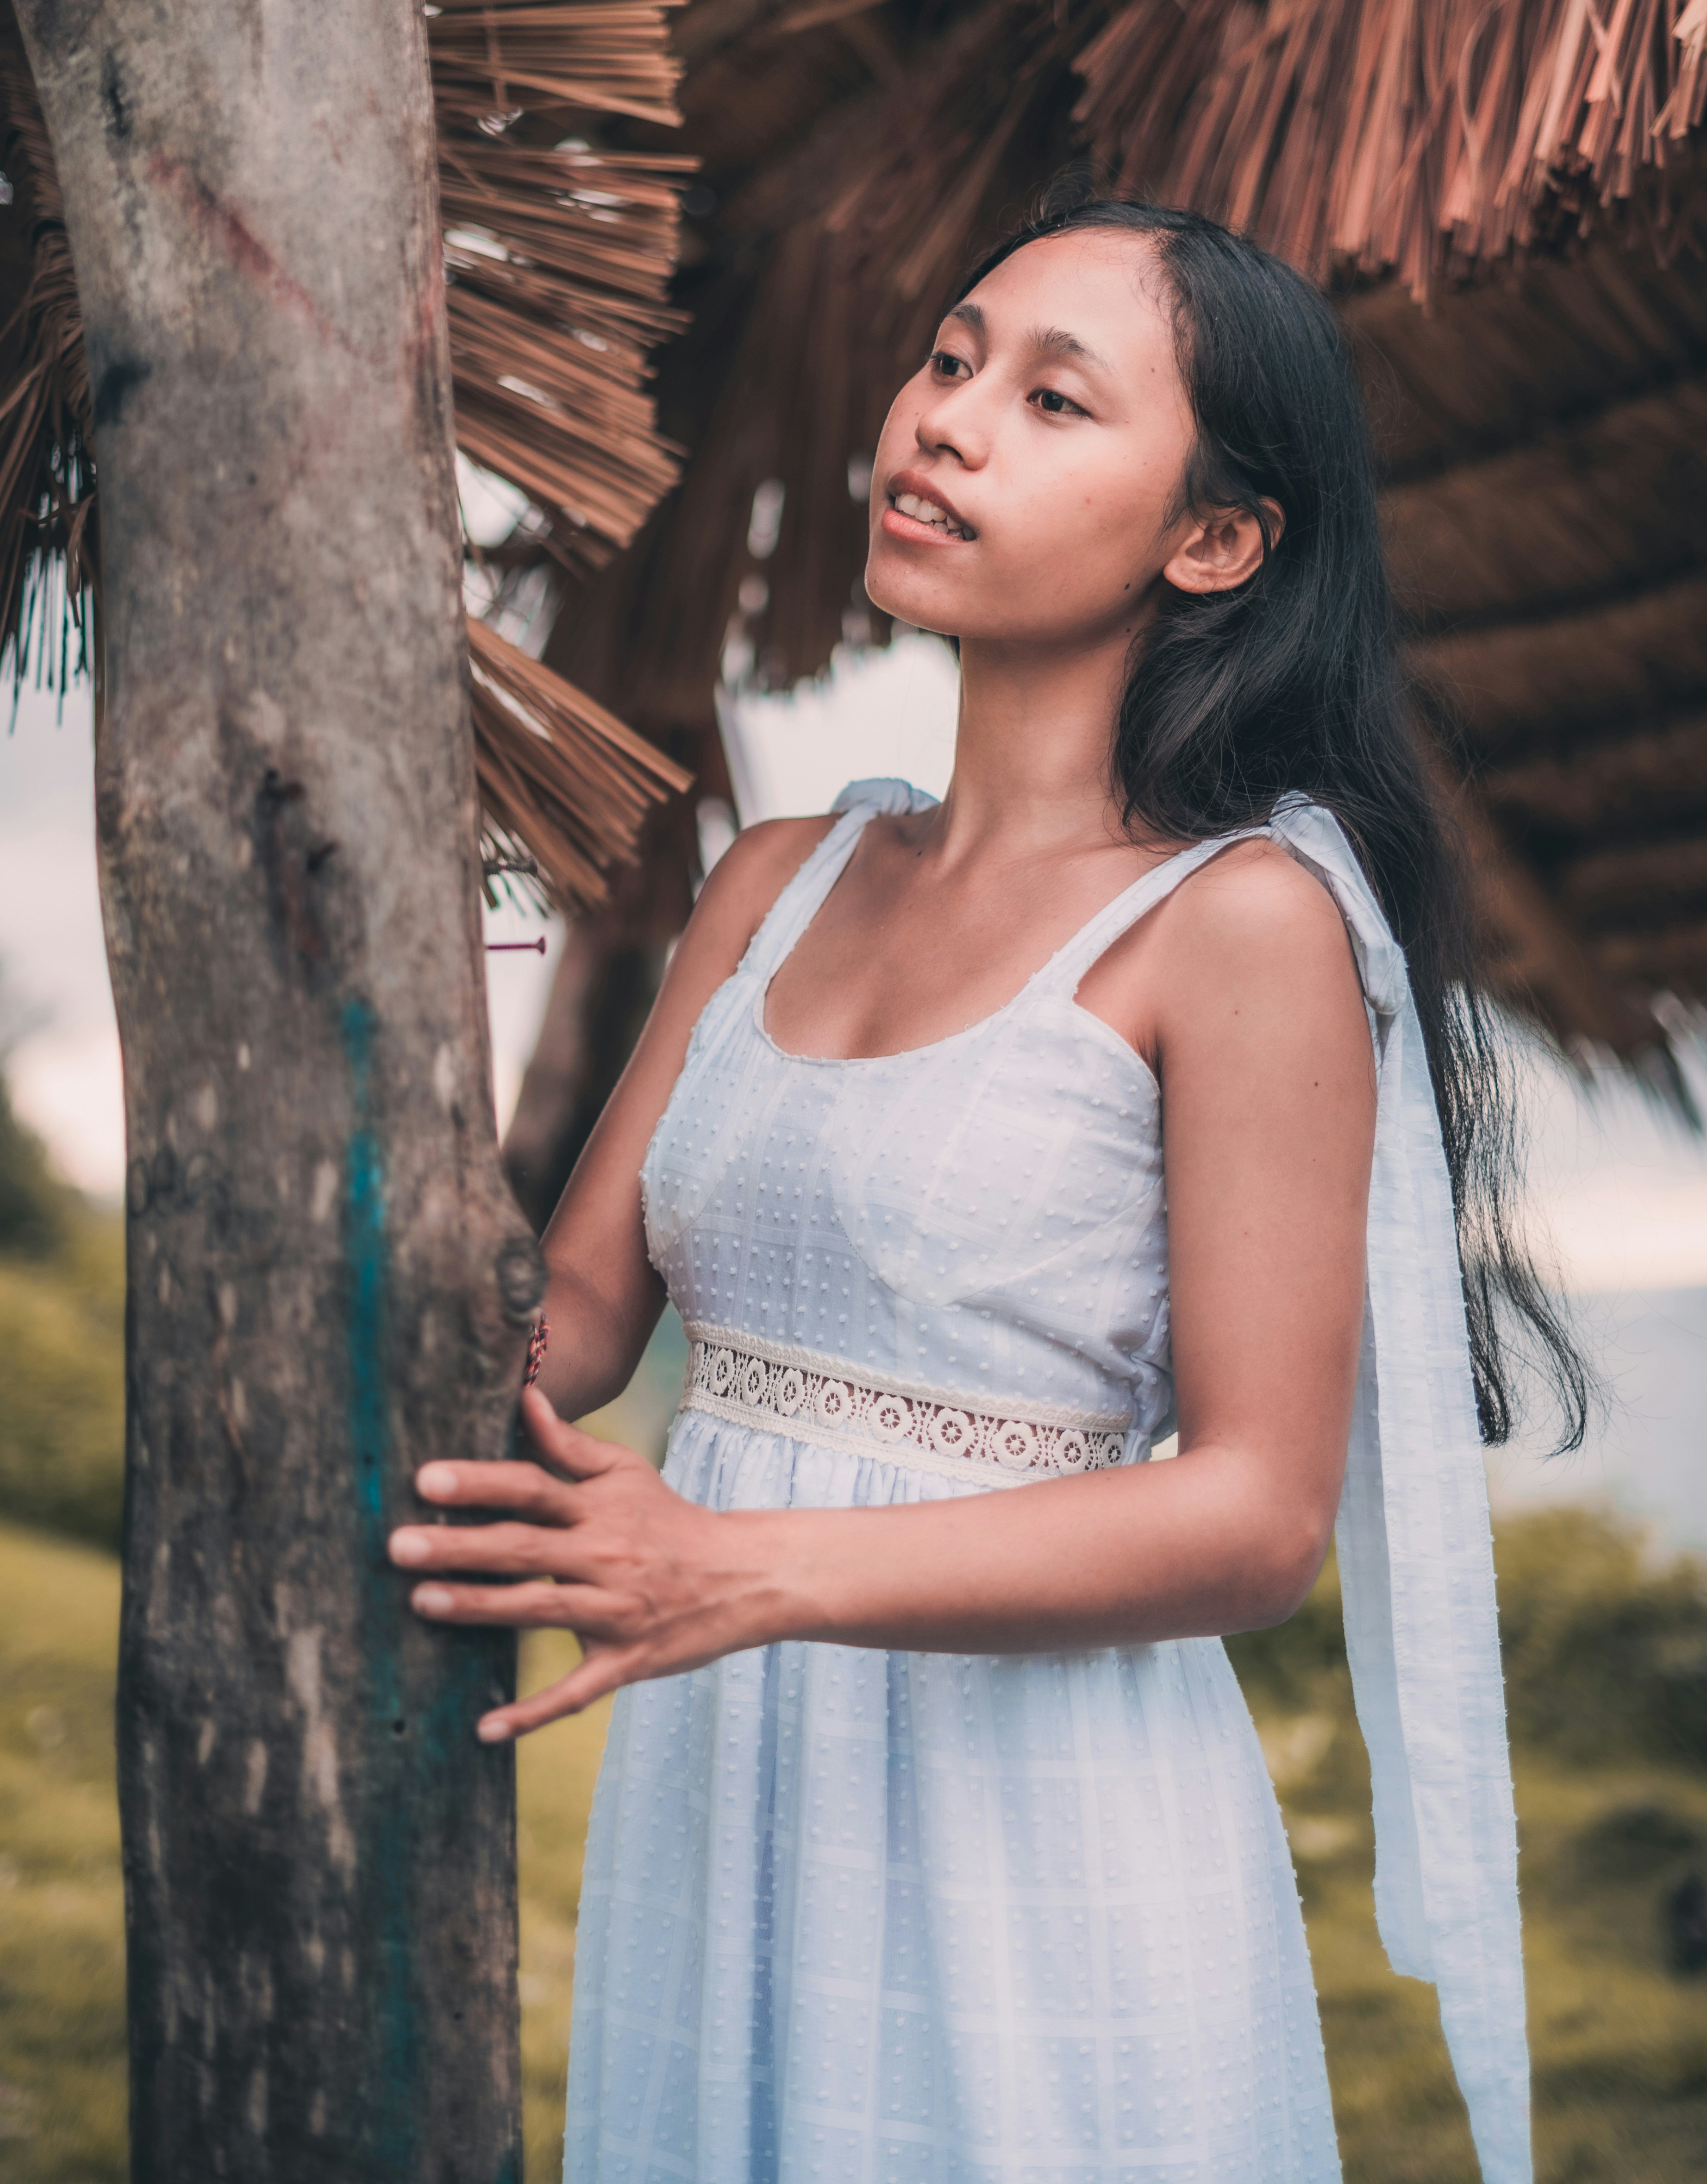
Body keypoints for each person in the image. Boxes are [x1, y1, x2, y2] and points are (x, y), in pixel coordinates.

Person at [391, 195, 1586, 2184]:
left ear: (1216, 541)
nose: (941, 420)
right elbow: (579, 1318)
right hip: (730, 1792)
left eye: (1052, 399)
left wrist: (741, 1572)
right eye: (948, 359)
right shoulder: (773, 881)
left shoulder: (1240, 925)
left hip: (1041, 1836)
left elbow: (1255, 1517)